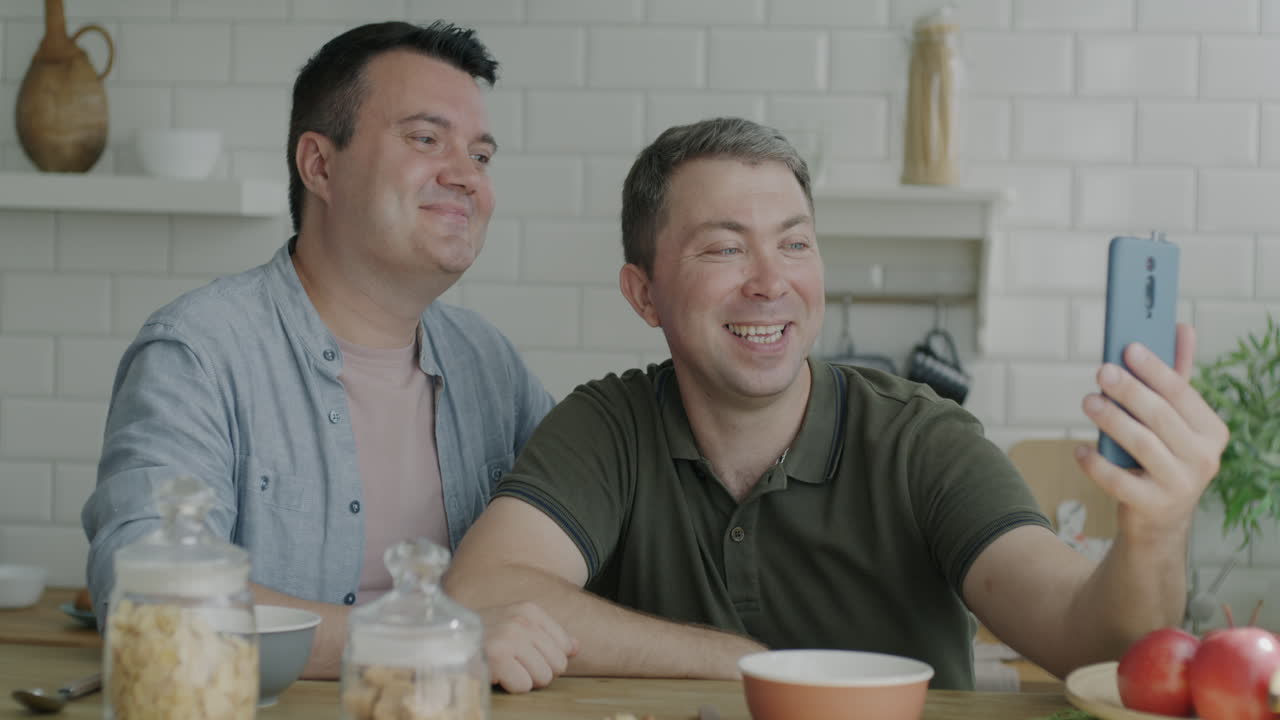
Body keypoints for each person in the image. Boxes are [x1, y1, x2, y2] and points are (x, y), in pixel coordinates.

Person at [443, 117, 1230, 690]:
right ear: (643, 294)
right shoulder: (607, 426)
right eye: (723, 247)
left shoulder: (922, 439)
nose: (770, 280)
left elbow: (1092, 646)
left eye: (795, 242)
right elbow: (481, 593)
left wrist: (1156, 532)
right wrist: (754, 666)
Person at [82, 21, 575, 687]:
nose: (465, 176)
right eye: (427, 139)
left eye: (481, 156)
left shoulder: (490, 364)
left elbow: (592, 543)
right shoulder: (198, 353)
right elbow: (148, 602)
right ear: (320, 165)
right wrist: (431, 643)